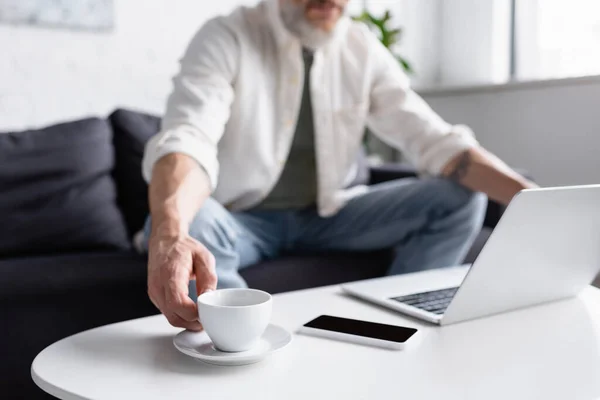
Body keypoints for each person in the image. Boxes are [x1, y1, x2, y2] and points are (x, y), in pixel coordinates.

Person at [141, 0, 536, 331]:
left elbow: (437, 142)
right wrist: (170, 233)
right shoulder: (228, 36)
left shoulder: (361, 48)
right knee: (191, 222)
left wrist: (537, 203)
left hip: (329, 218)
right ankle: (241, 345)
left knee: (457, 197)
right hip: (239, 221)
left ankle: (399, 326)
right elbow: (189, 136)